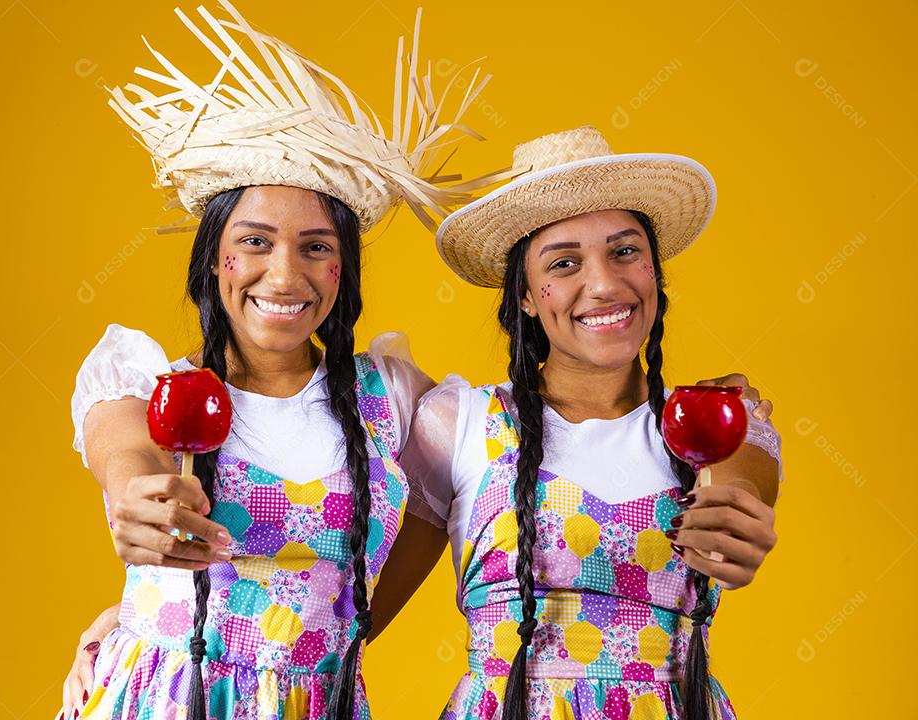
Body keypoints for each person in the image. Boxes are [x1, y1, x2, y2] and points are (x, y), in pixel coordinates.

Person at [56, 3, 491, 719]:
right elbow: (125, 459)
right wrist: (142, 564)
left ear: (343, 269)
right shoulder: (145, 386)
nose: (285, 276)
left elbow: (543, 434)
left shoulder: (397, 403)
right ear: (214, 260)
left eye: (316, 246)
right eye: (256, 242)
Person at [391, 126, 783, 720]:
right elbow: (347, 609)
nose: (603, 284)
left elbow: (741, 493)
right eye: (565, 262)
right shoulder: (458, 424)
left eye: (625, 251)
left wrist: (738, 529)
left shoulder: (719, 423)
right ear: (524, 294)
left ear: (655, 272)